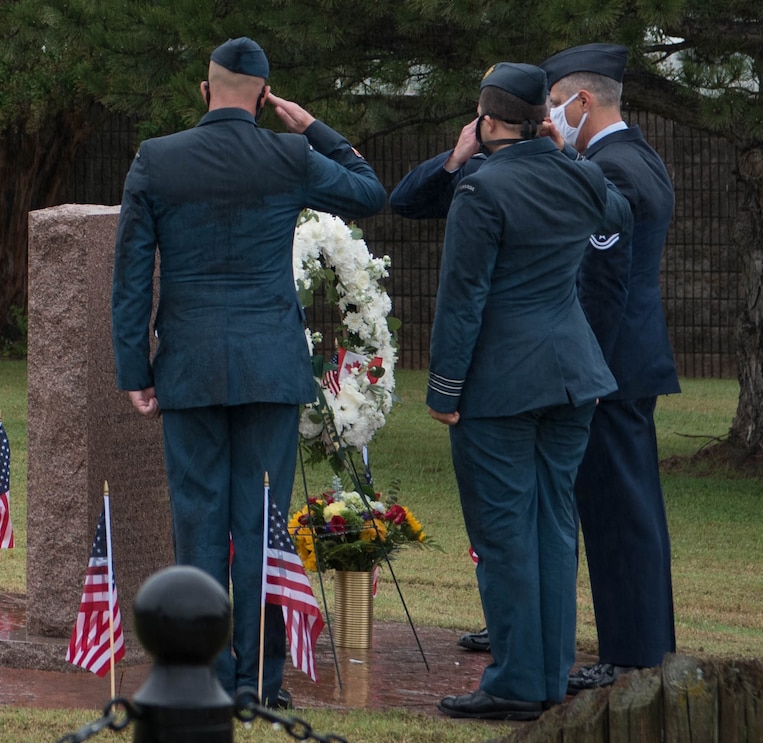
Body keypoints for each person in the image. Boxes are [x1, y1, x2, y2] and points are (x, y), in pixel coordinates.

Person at [111, 38, 385, 707]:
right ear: (264, 97)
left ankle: (196, 673)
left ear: (205, 91)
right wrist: (311, 126)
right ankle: (260, 679)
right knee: (261, 521)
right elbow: (371, 191)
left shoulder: (159, 158)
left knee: (197, 520)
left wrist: (134, 367)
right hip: (267, 365)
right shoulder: (288, 153)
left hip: (190, 364)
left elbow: (130, 276)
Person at [421, 63, 629, 722]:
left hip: (500, 382)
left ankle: (516, 678)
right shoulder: (582, 174)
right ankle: (546, 673)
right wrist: (563, 153)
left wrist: (444, 387)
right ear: (543, 116)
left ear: (485, 122)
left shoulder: (481, 190)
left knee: (506, 530)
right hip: (572, 374)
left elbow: (463, 298)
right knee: (555, 526)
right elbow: (619, 211)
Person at [541, 43, 679, 690]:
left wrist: (588, 370)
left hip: (613, 364)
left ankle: (628, 655)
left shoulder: (612, 172)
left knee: (617, 514)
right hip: (634, 358)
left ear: (582, 100)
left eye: (554, 101)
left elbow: (604, 280)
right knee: (633, 510)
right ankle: (646, 645)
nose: (551, 115)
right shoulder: (639, 155)